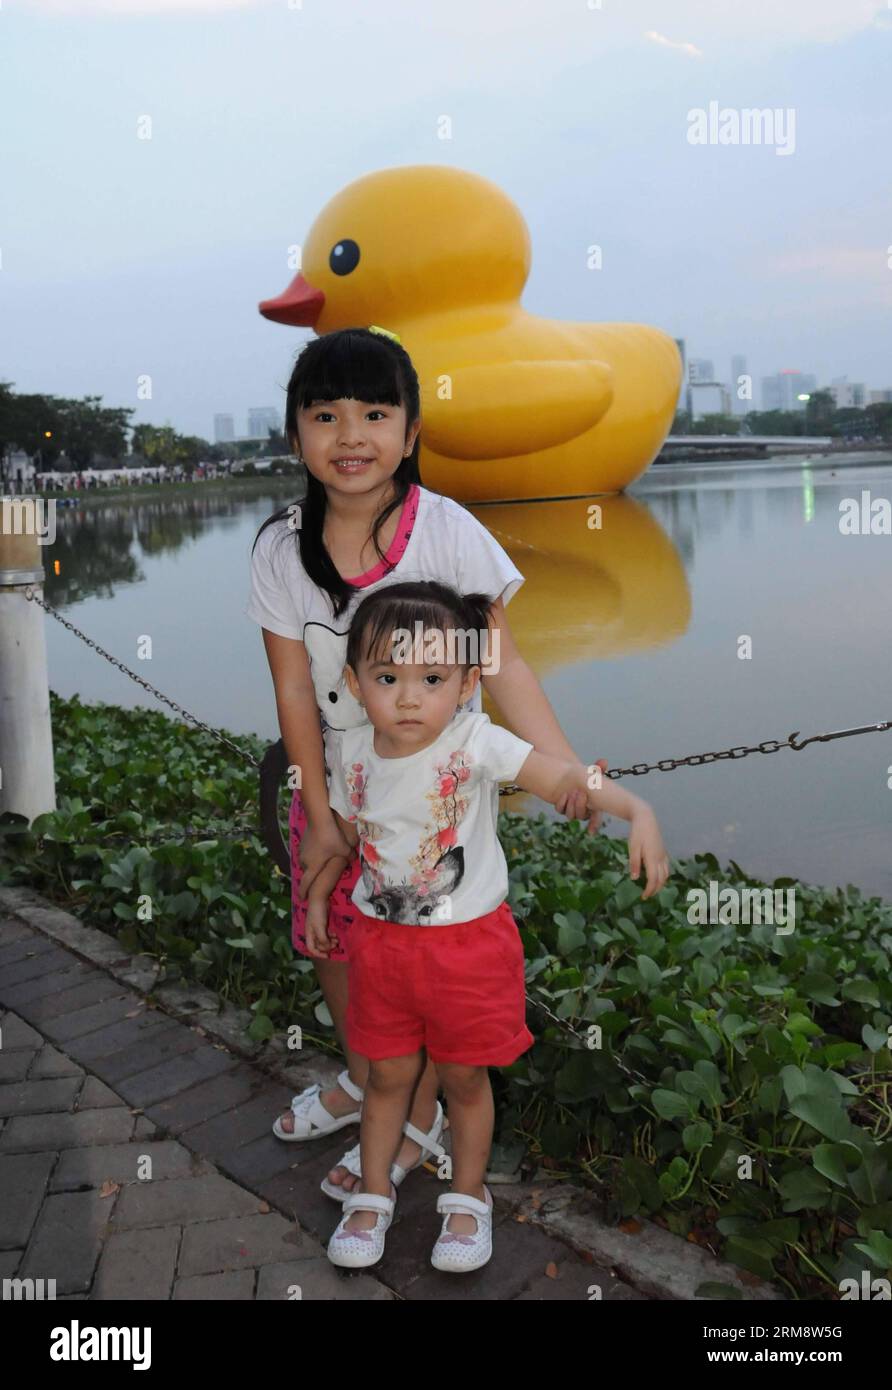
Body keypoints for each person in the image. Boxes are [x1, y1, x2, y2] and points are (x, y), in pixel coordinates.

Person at [245, 325, 608, 1206]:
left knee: (432, 952)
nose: (352, 435)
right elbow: (295, 693)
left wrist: (562, 770)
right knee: (337, 943)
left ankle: (420, 1119)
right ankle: (371, 1077)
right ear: (296, 436)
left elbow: (504, 665)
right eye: (325, 415)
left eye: (376, 412)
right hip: (334, 783)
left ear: (411, 434)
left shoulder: (448, 534)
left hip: (437, 801)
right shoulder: (279, 547)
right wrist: (323, 815)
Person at [307, 579, 670, 1270]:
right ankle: (373, 1197)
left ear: (469, 681)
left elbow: (563, 774)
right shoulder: (352, 755)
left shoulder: (476, 741)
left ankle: (468, 1204)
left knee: (465, 1082)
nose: (410, 697)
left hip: (467, 952)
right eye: (388, 677)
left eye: (433, 678)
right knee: (386, 1080)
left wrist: (635, 810)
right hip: (382, 949)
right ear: (355, 683)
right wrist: (322, 894)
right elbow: (352, 840)